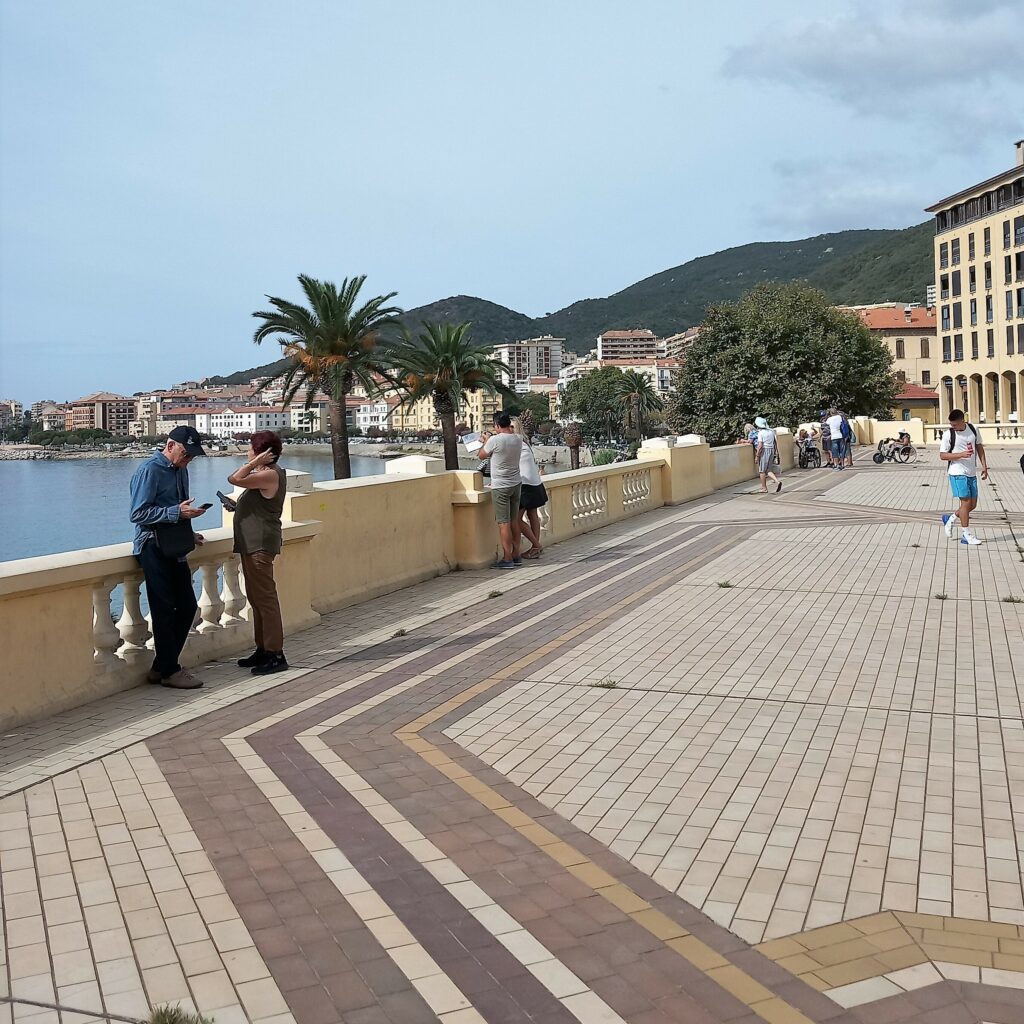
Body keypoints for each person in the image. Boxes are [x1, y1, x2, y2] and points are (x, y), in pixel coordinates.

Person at [129, 426, 208, 689]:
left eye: (192, 456)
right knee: (163, 608)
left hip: (175, 545)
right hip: (151, 546)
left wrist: (189, 530)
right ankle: (170, 670)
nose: (188, 460)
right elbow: (138, 514)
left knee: (187, 606)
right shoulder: (149, 470)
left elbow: (179, 508)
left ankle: (161, 667)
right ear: (170, 445)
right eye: (186, 454)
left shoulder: (181, 471)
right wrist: (177, 513)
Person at [228, 431, 289, 674]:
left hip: (260, 545)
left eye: (251, 449)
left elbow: (233, 478)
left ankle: (275, 653)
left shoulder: (269, 474)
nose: (247, 452)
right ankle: (263, 648)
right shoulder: (265, 475)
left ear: (264, 453)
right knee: (255, 598)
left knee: (265, 600)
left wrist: (253, 463)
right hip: (251, 543)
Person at [478, 412, 523, 569]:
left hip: (501, 486)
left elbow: (481, 456)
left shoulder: (495, 440)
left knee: (504, 523)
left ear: (497, 425)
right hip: (516, 484)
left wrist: (485, 441)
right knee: (514, 521)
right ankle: (517, 555)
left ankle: (507, 558)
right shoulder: (518, 438)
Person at [940, 409, 988, 546]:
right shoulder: (948, 434)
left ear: (962, 420)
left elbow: (979, 447)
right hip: (956, 472)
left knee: (972, 505)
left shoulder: (973, 429)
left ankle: (950, 518)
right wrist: (960, 455)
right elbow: (943, 455)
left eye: (954, 425)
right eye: (951, 424)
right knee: (965, 503)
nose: (952, 427)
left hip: (971, 472)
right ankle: (966, 535)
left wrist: (984, 466)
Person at [512, 416, 547, 559]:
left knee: (516, 519)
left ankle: (536, 545)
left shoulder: (516, 443)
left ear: (517, 428)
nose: (509, 429)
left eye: (512, 427)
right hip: (534, 483)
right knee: (532, 515)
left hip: (526, 486)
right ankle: (535, 548)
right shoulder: (524, 443)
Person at [754, 416, 782, 494]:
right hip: (771, 450)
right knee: (768, 470)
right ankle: (777, 481)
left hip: (764, 451)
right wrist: (776, 452)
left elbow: (760, 445)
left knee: (762, 471)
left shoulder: (760, 433)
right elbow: (775, 442)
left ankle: (764, 488)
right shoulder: (771, 431)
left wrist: (757, 456)